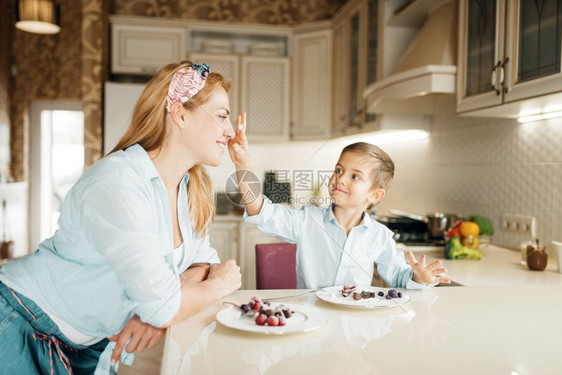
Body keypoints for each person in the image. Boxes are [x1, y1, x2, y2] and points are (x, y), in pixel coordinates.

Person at [0, 61, 242, 374]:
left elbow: (203, 262)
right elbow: (169, 302)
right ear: (180, 114)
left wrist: (167, 306)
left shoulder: (189, 188)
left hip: (90, 342)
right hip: (23, 321)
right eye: (222, 115)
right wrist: (215, 286)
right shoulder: (119, 182)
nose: (230, 131)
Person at [228, 113, 450, 290]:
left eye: (355, 176)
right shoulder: (307, 220)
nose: (340, 179)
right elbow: (260, 210)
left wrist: (419, 278)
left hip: (354, 331)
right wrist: (242, 165)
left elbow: (400, 277)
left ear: (375, 195)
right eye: (339, 170)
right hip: (312, 321)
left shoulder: (380, 236)